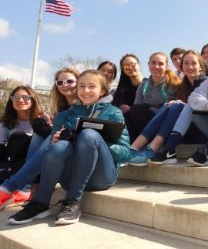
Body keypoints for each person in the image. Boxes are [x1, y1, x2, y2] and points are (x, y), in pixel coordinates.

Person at [6, 70, 130, 225]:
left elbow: (124, 154)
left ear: (102, 91)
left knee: (88, 135)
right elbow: (48, 154)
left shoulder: (113, 113)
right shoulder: (64, 115)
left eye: (92, 86)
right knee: (60, 146)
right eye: (82, 86)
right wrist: (53, 143)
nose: (86, 91)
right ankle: (41, 202)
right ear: (76, 89)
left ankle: (72, 201)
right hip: (68, 178)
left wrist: (96, 142)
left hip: (102, 177)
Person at [0, 68, 79, 211]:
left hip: (63, 158)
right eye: (60, 82)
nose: (20, 101)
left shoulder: (45, 118)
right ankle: (23, 189)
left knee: (40, 133)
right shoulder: (6, 124)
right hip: (22, 164)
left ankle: (12, 187)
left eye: (70, 81)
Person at [128, 50, 208, 165]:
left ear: (201, 66)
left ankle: (152, 148)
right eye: (186, 63)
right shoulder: (183, 84)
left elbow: (206, 108)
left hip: (202, 129)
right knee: (171, 105)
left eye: (194, 63)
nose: (189, 67)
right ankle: (133, 148)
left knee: (176, 105)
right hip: (183, 129)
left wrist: (184, 105)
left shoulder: (206, 82)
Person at [0, 86, 47, 209]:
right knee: (17, 137)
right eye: (15, 97)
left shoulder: (43, 120)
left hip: (37, 168)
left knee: (23, 137)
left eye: (26, 97)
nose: (20, 100)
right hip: (13, 165)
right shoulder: (6, 124)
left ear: (33, 100)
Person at [124, 52, 181, 142]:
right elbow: (137, 108)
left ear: (166, 67)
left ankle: (151, 143)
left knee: (136, 109)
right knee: (127, 114)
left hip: (164, 123)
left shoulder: (172, 83)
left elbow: (167, 110)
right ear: (148, 64)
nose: (156, 67)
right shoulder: (143, 85)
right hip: (146, 121)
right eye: (153, 63)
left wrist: (148, 108)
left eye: (161, 64)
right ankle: (133, 146)